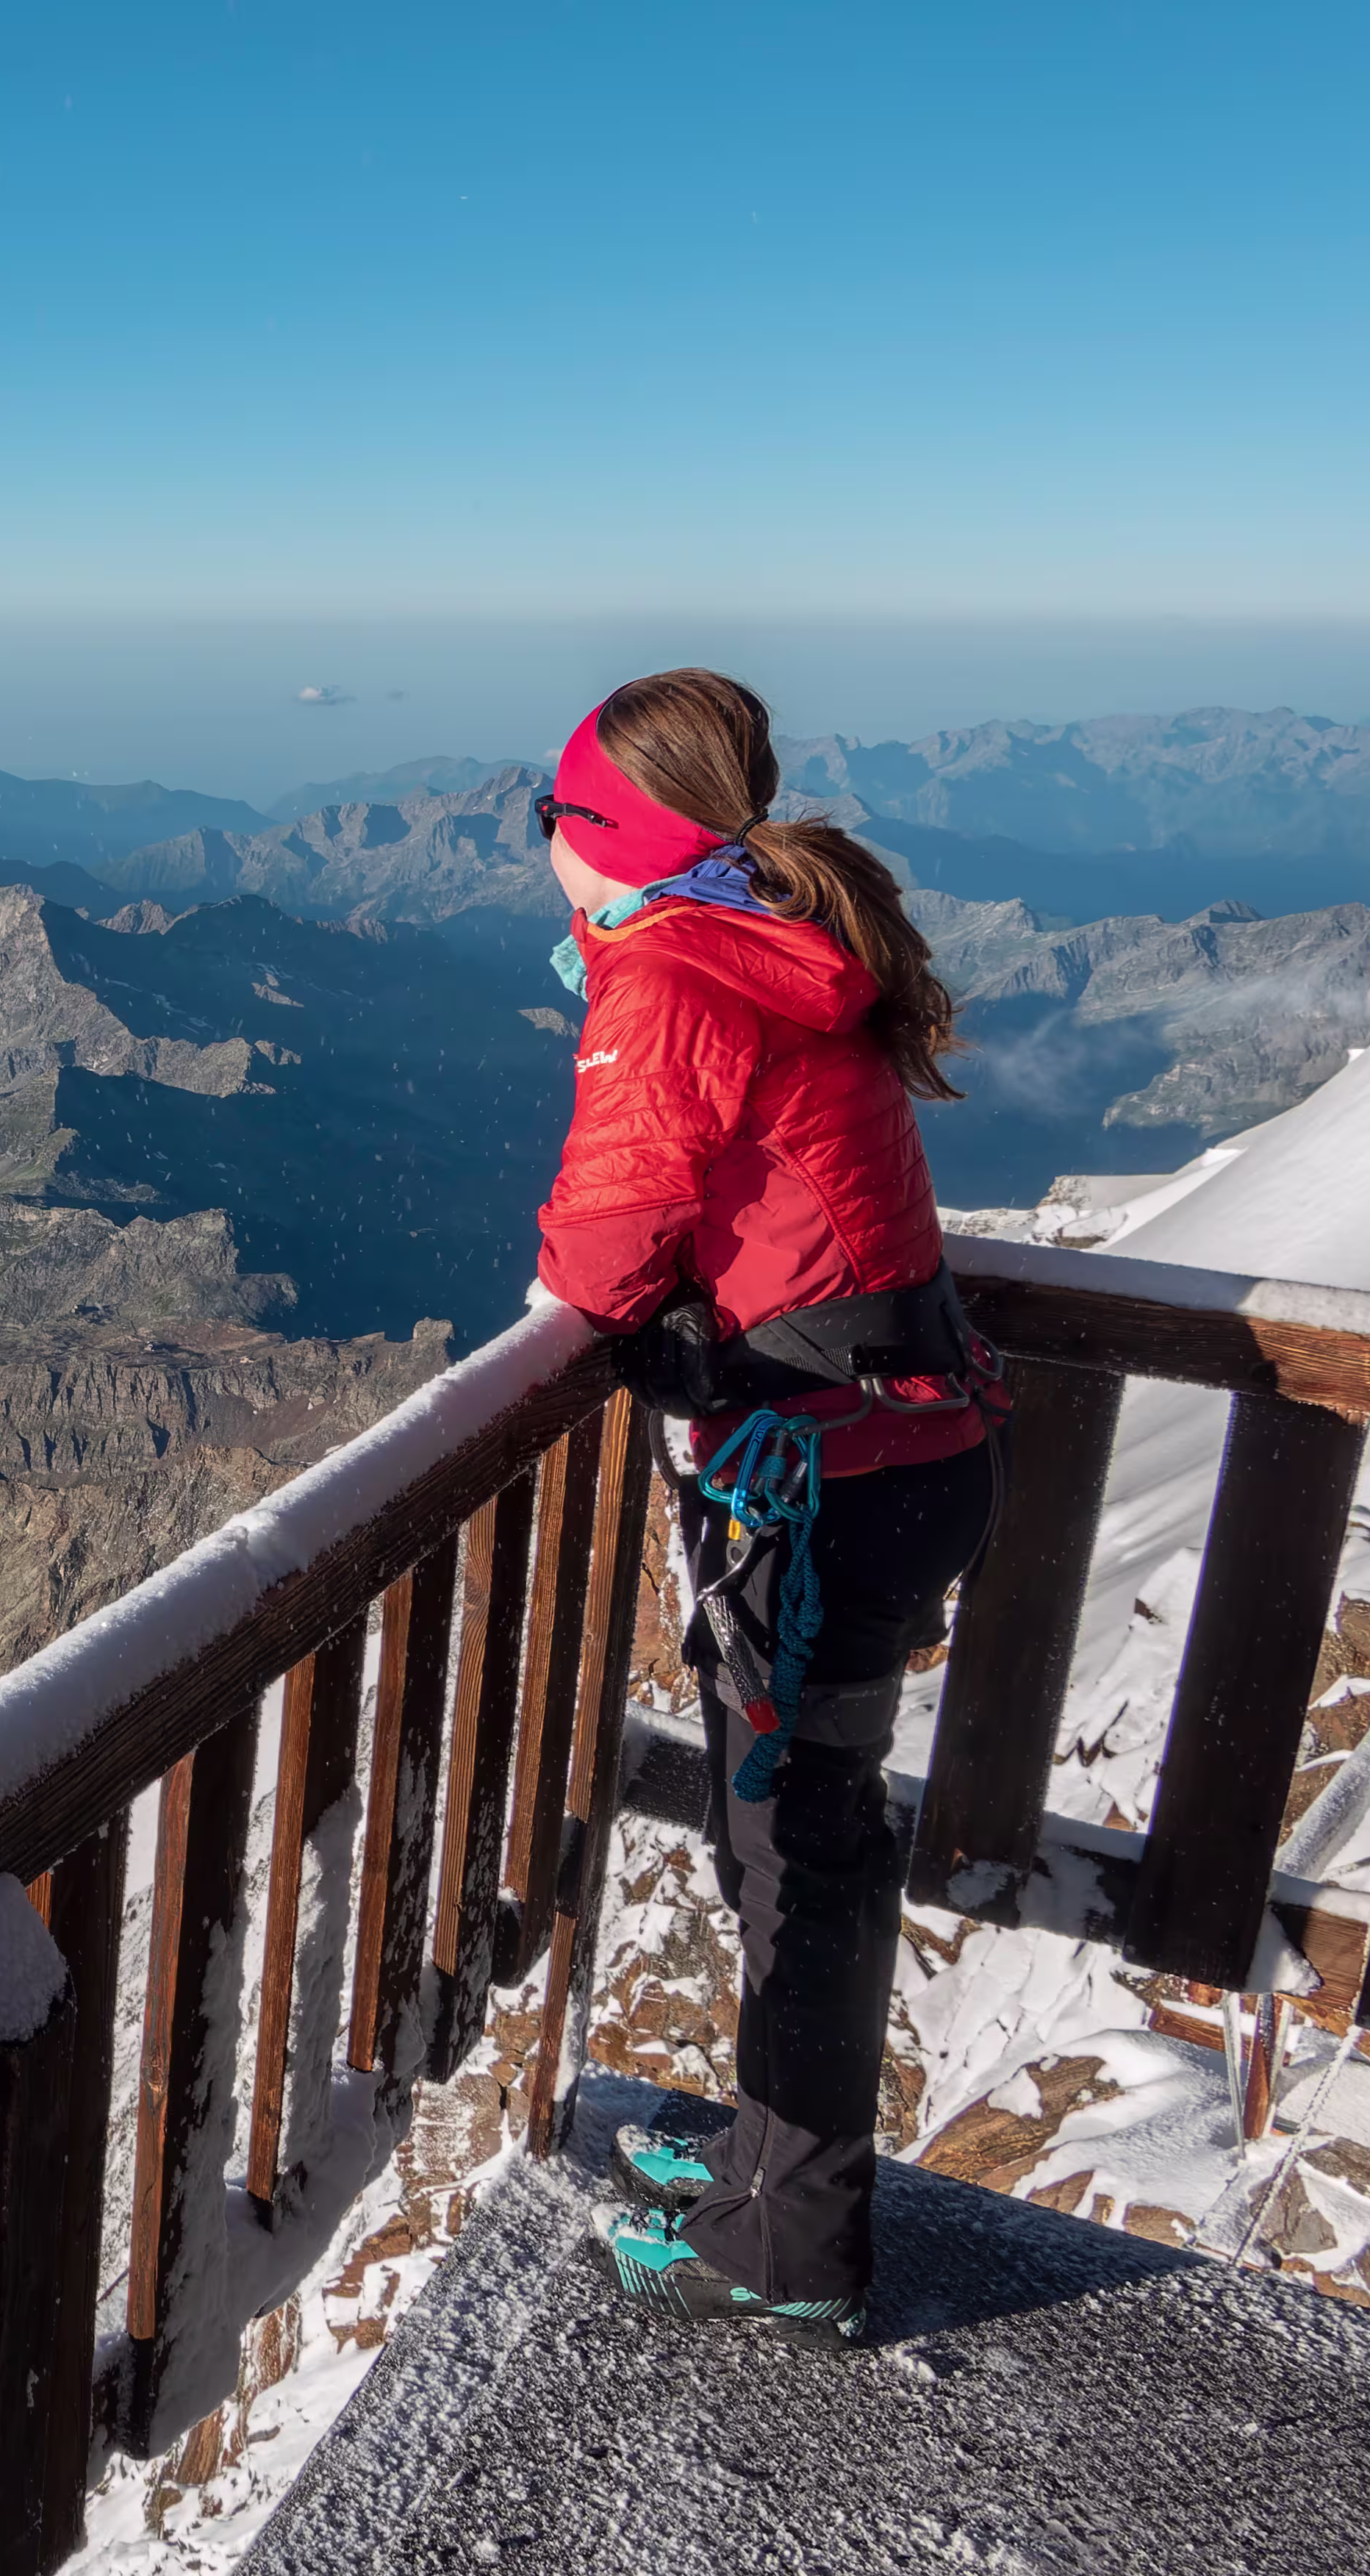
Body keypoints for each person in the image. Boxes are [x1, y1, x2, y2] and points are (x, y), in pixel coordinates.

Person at [528, 668, 1004, 2344]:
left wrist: (589, 1304)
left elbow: (605, 1237)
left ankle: (792, 2246)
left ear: (606, 835)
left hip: (825, 1486)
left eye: (550, 812)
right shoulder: (765, 936)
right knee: (795, 1835)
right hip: (892, 1455)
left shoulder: (674, 972)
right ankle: (765, 2165)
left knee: (799, 1855)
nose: (543, 841)